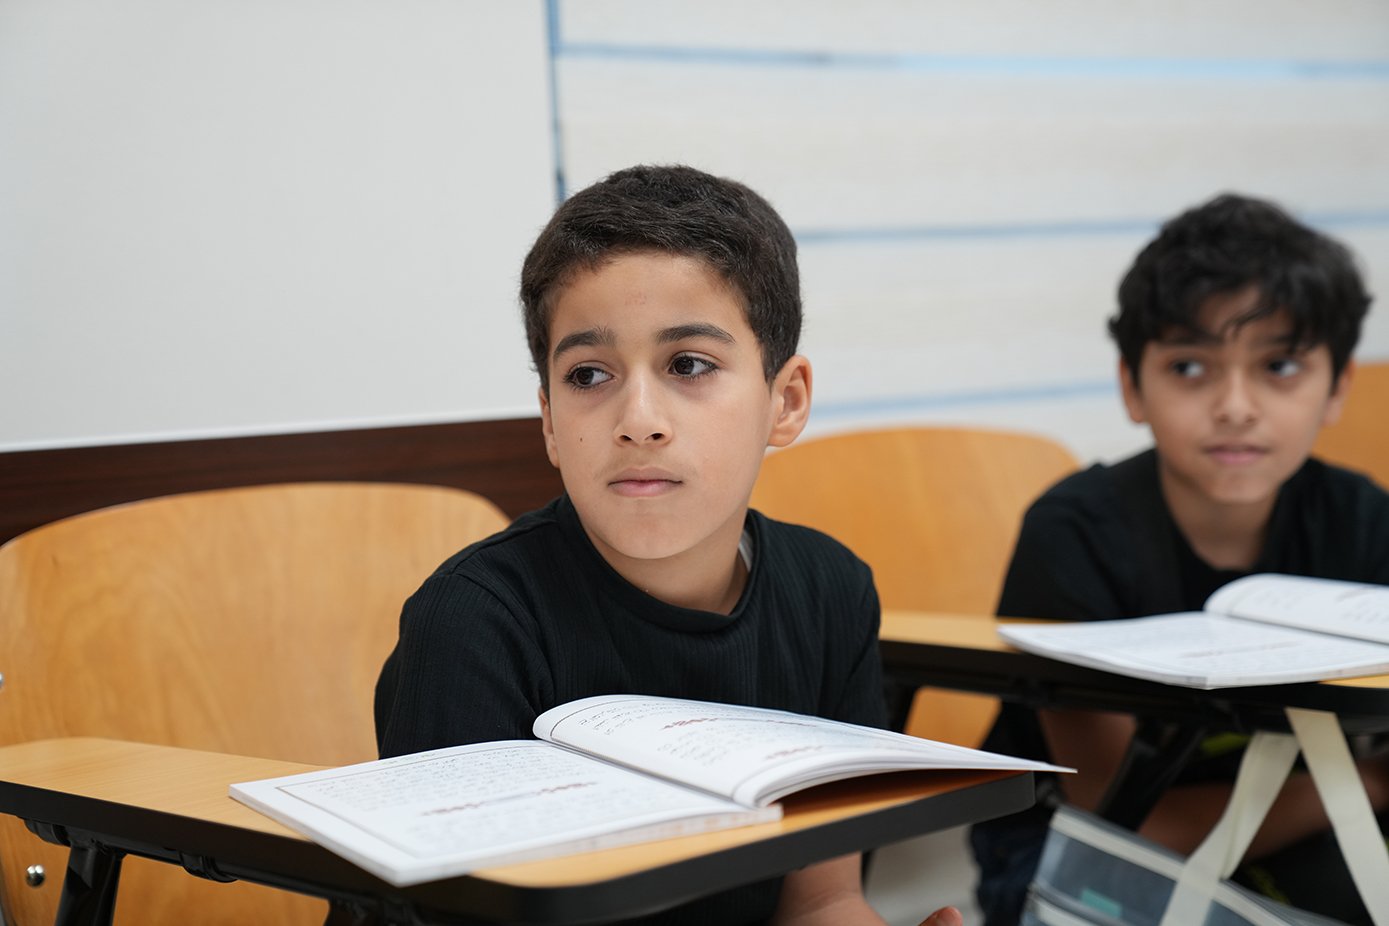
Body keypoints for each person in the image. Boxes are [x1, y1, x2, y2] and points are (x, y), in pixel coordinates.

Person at [375, 164, 963, 926]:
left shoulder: (829, 591)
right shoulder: (473, 623)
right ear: (549, 420)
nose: (638, 421)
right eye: (589, 375)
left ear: (784, 401)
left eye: (688, 365)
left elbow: (822, 898)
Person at [969, 192, 1389, 926]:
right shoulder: (1074, 533)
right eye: (1190, 367)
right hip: (1076, 849)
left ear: (1337, 388)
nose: (1235, 406)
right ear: (1132, 386)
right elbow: (1129, 819)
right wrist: (1374, 784)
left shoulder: (1362, 518)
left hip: (1307, 822)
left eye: (1280, 365)